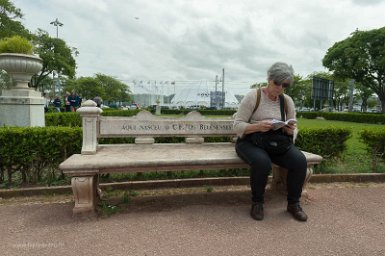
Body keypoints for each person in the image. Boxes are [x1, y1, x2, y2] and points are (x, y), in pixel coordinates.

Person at [233, 62, 308, 222]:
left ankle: (293, 203)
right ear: (269, 78)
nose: (280, 87)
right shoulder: (253, 96)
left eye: (285, 84)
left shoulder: (287, 101)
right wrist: (257, 126)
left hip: (276, 142)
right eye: (277, 82)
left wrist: (290, 130)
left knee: (300, 161)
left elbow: (293, 127)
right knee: (262, 162)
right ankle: (257, 202)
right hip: (250, 141)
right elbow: (237, 125)